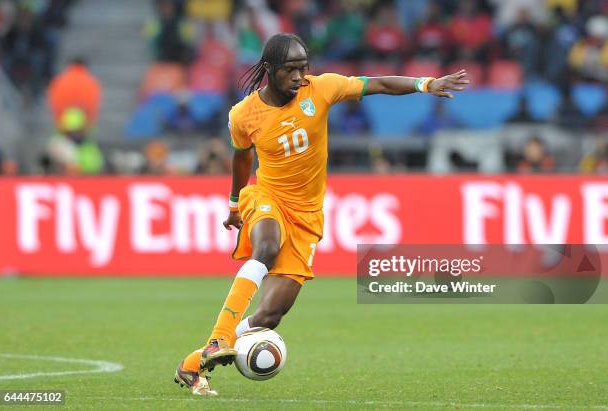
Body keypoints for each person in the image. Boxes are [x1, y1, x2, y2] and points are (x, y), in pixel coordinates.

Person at [174, 32, 469, 396]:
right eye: (291, 70)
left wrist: (426, 84)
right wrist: (235, 203)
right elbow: (241, 158)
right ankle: (219, 339)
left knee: (270, 317)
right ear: (269, 69)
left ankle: (193, 362)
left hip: (307, 214)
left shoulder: (322, 89)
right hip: (267, 196)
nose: (299, 77)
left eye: (303, 68)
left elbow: (376, 84)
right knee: (264, 248)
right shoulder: (244, 114)